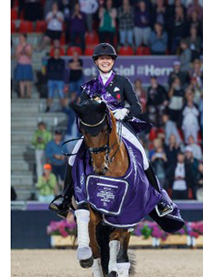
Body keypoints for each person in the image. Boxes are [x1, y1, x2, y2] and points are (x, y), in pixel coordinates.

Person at [49, 43, 173, 218]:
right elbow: (82, 110)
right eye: (102, 58)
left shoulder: (122, 82)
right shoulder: (89, 86)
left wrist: (125, 111)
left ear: (113, 61)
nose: (105, 61)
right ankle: (64, 198)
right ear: (96, 62)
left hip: (120, 126)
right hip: (97, 130)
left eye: (108, 58)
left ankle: (161, 199)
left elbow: (137, 108)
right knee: (74, 155)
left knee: (143, 155)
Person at [14, 34, 33, 99]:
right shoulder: (18, 46)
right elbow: (16, 56)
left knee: (28, 80)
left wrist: (25, 51)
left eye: (21, 37)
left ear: (25, 38)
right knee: (21, 80)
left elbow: (30, 55)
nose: (20, 39)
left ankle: (28, 94)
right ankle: (22, 94)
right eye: (20, 38)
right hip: (20, 63)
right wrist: (19, 52)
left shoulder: (29, 45)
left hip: (27, 64)